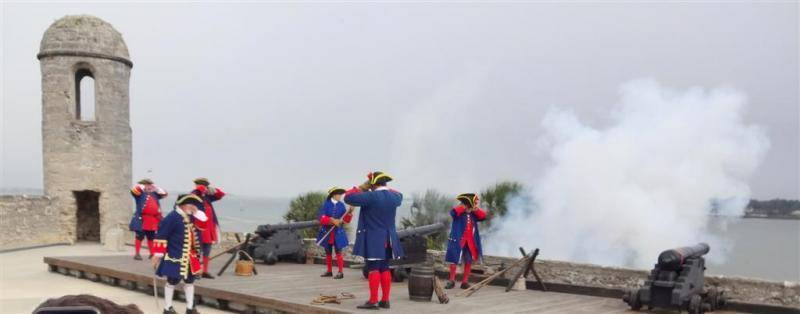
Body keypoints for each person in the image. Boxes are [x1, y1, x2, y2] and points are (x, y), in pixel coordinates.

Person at [343, 171, 404, 310]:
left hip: (374, 238)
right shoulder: (395, 197)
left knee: (373, 268)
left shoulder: (370, 196)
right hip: (389, 238)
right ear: (385, 184)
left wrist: (363, 187)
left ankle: (373, 300)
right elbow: (399, 194)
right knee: (385, 268)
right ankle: (385, 300)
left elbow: (348, 197)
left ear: (373, 184)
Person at [151, 194, 208, 314]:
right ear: (182, 204)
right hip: (175, 256)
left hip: (191, 258)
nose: (193, 206)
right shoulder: (172, 217)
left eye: (194, 204)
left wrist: (197, 213)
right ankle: (167, 308)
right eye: (190, 204)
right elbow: (161, 236)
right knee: (172, 281)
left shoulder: (192, 217)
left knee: (190, 281)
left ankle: (190, 307)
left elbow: (203, 227)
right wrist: (157, 254)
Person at [444, 193, 487, 289]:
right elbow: (453, 213)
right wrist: (463, 207)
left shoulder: (473, 213)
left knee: (468, 260)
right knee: (454, 260)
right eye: (474, 203)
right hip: (458, 239)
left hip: (470, 241)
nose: (475, 204)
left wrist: (475, 209)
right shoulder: (459, 211)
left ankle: (464, 282)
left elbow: (483, 216)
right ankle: (451, 280)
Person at [190, 178, 226, 279]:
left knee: (207, 251)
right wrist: (200, 190)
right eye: (202, 186)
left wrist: (213, 190)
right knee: (197, 251)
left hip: (209, 229)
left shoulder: (207, 197)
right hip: (198, 228)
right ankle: (195, 271)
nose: (203, 188)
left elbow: (221, 195)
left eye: (205, 186)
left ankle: (205, 271)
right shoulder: (194, 195)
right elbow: (193, 195)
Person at [316, 187, 354, 279]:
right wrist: (332, 220)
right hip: (327, 231)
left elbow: (346, 220)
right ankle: (329, 271)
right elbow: (321, 217)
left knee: (338, 251)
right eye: (339, 195)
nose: (340, 196)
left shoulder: (341, 205)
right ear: (333, 195)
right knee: (328, 251)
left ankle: (340, 272)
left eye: (341, 195)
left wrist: (350, 213)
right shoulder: (326, 204)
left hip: (338, 232)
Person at [128, 178, 167, 260]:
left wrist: (156, 188)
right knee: (139, 236)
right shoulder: (139, 194)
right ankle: (137, 254)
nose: (149, 186)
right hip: (142, 219)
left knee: (151, 237)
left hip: (152, 220)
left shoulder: (154, 194)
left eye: (150, 185)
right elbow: (133, 191)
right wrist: (142, 186)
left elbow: (165, 194)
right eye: (147, 184)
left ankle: (152, 253)